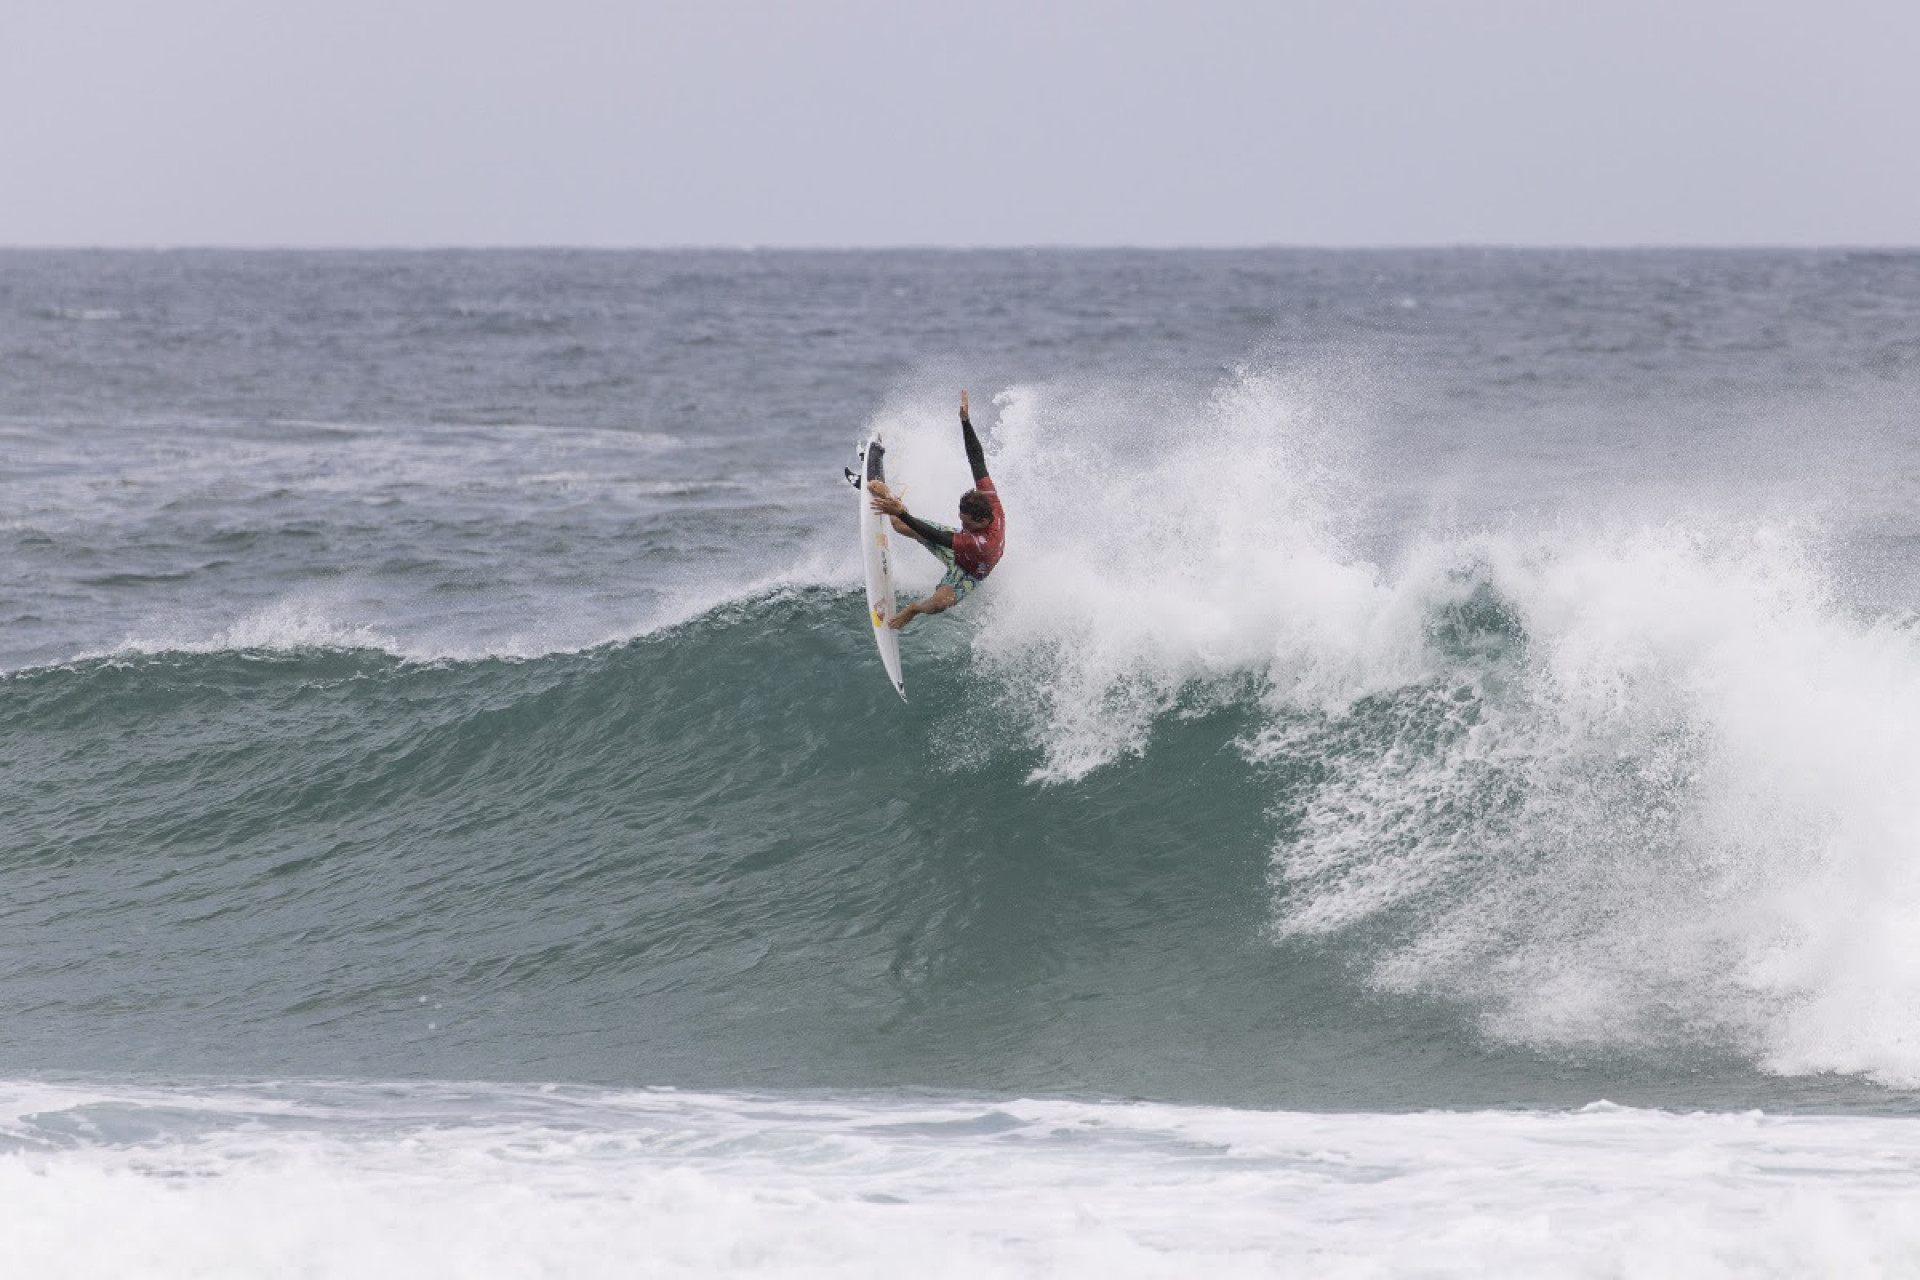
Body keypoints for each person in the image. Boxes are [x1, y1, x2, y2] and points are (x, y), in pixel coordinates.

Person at [867, 390, 1005, 630]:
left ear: (982, 520)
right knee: (899, 526)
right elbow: (977, 459)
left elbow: (937, 537)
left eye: (967, 523)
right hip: (961, 547)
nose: (963, 525)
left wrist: (902, 511)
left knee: (940, 603)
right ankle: (889, 496)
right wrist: (965, 422)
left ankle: (913, 610)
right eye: (961, 520)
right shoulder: (989, 499)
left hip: (971, 571)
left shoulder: (980, 541)